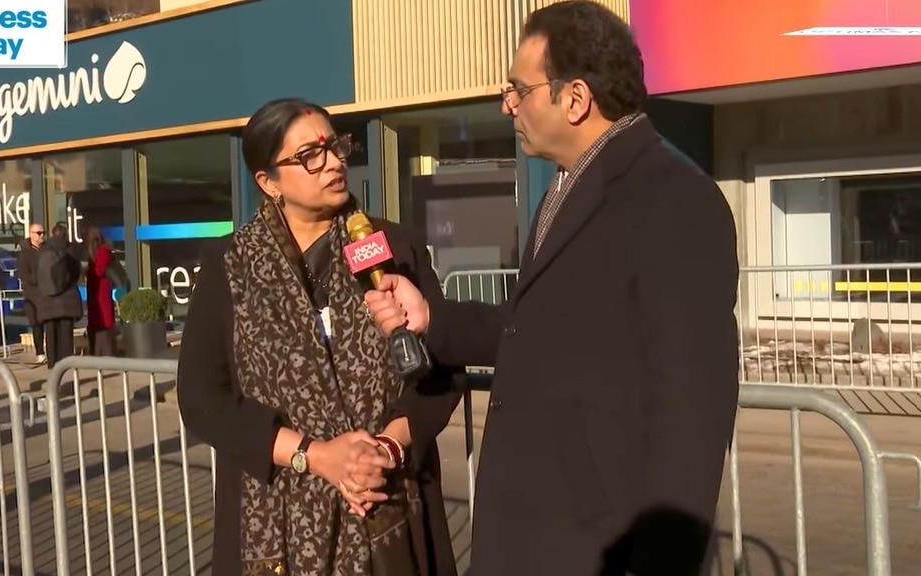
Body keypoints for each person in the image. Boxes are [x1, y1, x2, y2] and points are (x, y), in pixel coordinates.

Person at [364, 2, 740, 574]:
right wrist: (432, 321)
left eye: (519, 88)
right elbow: (533, 327)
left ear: (575, 98)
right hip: (536, 533)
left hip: (595, 543)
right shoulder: (567, 186)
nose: (507, 103)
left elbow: (691, 412)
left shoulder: (673, 198)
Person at [176, 98, 462, 576]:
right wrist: (316, 456)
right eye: (309, 155)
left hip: (388, 508)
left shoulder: (395, 248)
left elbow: (441, 368)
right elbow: (203, 397)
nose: (332, 162)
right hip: (272, 525)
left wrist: (389, 446)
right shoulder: (230, 266)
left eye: (334, 146)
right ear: (269, 183)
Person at [35, 223, 83, 369]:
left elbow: (38, 273)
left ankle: (52, 364)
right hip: (67, 298)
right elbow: (76, 272)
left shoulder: (43, 250)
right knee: (66, 334)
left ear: (52, 234)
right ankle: (66, 364)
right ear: (65, 234)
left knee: (50, 333)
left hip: (48, 298)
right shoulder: (71, 249)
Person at [83, 227, 116, 356]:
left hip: (101, 292)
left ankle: (105, 353)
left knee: (103, 322)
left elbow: (99, 271)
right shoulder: (96, 252)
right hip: (94, 293)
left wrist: (87, 270)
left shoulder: (103, 251)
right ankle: (96, 353)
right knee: (97, 324)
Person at [16, 223, 47, 364]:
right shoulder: (25, 254)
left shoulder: (47, 250)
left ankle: (52, 352)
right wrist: (39, 277)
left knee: (49, 323)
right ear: (31, 234)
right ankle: (40, 352)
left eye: (43, 233)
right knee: (37, 324)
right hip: (33, 295)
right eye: (38, 233)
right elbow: (24, 275)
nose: (41, 236)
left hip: (47, 292)